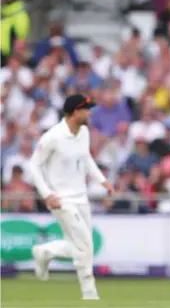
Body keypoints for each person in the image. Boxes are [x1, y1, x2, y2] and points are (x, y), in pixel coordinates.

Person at [29, 94, 115, 300]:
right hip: (61, 199)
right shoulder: (53, 136)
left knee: (84, 246)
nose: (90, 113)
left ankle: (45, 251)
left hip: (81, 197)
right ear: (75, 112)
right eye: (86, 109)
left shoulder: (83, 132)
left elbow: (86, 158)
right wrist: (47, 194)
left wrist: (102, 180)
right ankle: (90, 294)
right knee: (84, 244)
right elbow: (34, 165)